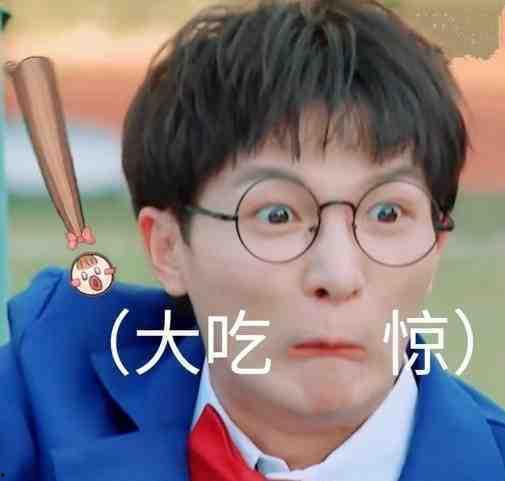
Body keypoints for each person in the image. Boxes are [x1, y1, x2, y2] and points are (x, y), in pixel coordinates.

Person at [1, 0, 505, 480]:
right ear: (168, 248)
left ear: (436, 242)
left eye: (388, 213)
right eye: (277, 215)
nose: (337, 275)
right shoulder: (42, 401)